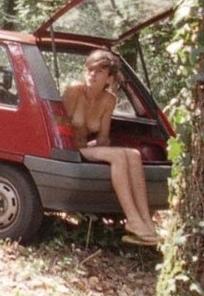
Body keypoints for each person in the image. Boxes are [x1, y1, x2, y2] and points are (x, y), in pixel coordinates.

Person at [62, 50, 161, 246]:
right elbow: (58, 124)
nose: (92, 74)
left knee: (133, 154)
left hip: (86, 148)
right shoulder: (74, 90)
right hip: (67, 148)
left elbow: (103, 137)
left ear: (109, 78)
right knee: (118, 157)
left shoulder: (109, 99)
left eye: (99, 71)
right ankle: (132, 220)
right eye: (90, 69)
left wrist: (101, 147)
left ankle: (146, 222)